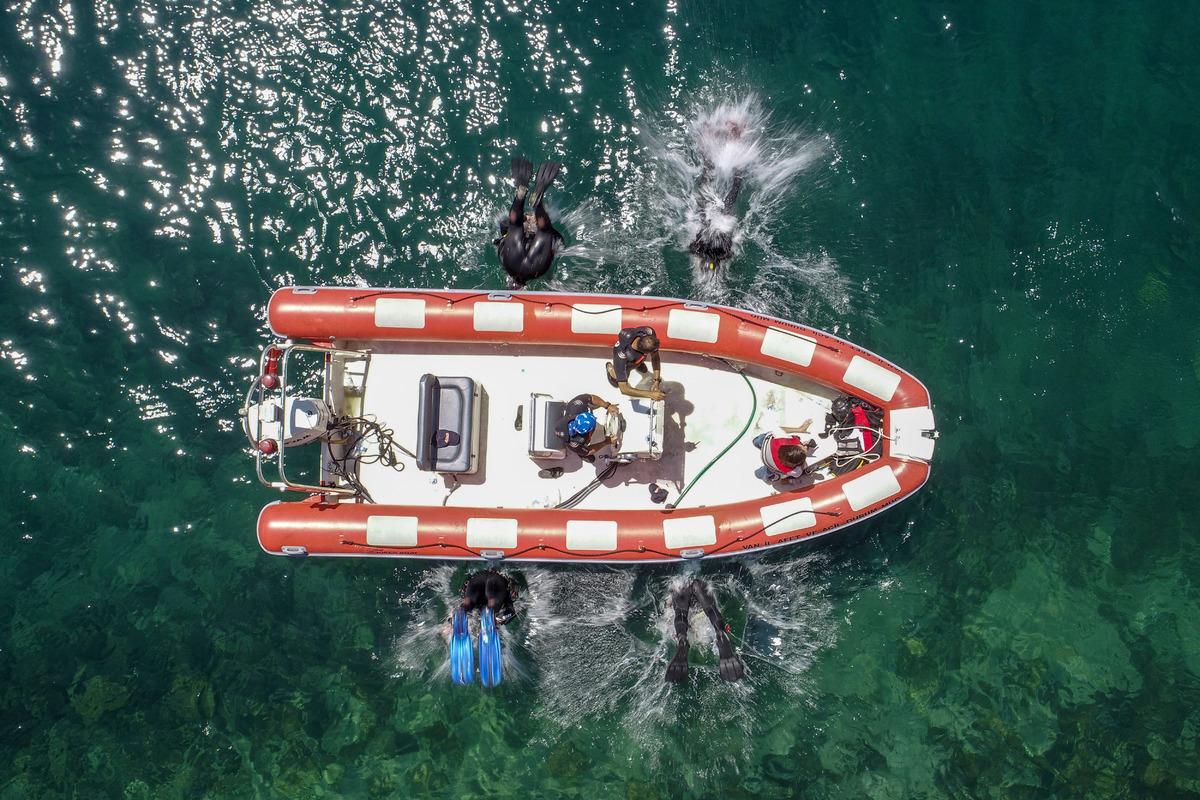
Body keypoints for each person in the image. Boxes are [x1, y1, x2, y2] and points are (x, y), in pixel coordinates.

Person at [495, 158, 564, 288]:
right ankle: (524, 196)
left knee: (539, 229)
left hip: (527, 267)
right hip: (516, 265)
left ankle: (527, 196)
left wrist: (525, 220)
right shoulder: (526, 228)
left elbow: (512, 222)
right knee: (541, 230)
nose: (530, 216)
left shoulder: (508, 228)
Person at [606, 326, 666, 402]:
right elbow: (624, 389)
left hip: (637, 357)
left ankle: (638, 363)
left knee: (643, 369)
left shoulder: (649, 332)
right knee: (616, 383)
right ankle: (610, 369)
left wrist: (656, 380)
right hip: (626, 362)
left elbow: (655, 357)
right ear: (643, 352)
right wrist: (651, 394)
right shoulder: (621, 357)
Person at [554, 393, 619, 461]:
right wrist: (606, 442)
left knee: (588, 402)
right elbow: (589, 451)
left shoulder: (575, 405)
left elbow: (590, 397)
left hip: (561, 425)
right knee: (583, 452)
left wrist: (607, 406)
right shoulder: (576, 444)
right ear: (589, 432)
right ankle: (581, 455)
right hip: (571, 441)